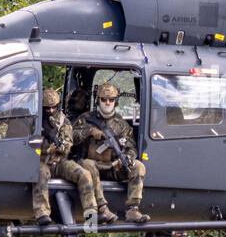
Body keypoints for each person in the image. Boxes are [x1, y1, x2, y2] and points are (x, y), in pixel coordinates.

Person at [75, 82, 148, 223]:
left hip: (114, 166)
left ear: (116, 101)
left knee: (138, 166)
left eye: (111, 99)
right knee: (87, 164)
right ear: (98, 100)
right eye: (104, 99)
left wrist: (127, 158)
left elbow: (131, 148)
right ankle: (103, 208)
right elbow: (71, 137)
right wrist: (89, 132)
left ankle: (133, 209)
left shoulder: (122, 125)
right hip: (93, 167)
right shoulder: (86, 119)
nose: (107, 102)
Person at [32, 88, 99, 225]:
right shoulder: (35, 122)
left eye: (53, 107)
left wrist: (59, 148)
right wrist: (46, 148)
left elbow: (68, 144)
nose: (50, 110)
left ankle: (91, 216)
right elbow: (29, 143)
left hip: (60, 161)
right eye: (47, 108)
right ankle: (42, 213)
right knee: (40, 173)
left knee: (84, 174)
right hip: (41, 161)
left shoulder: (64, 122)